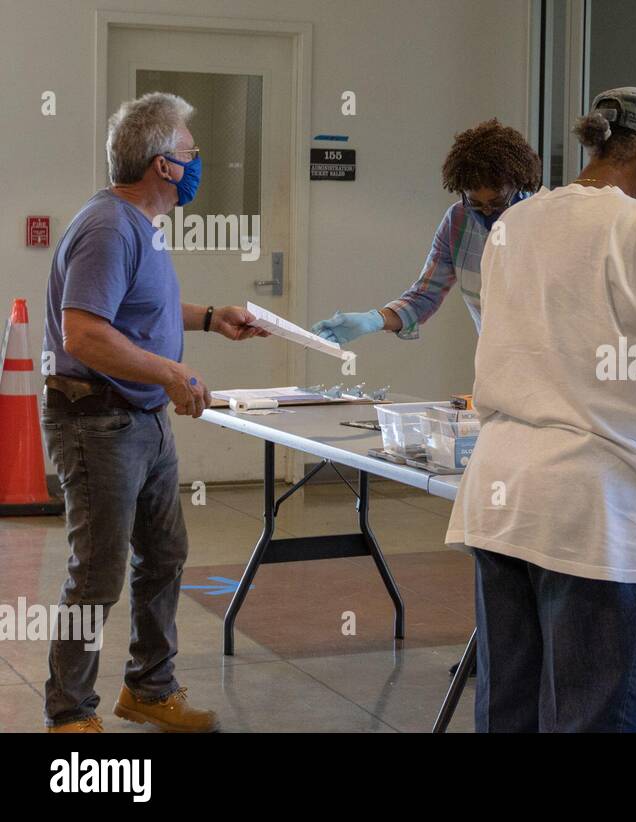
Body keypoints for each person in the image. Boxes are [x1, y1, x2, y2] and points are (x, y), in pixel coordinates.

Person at [444, 87, 636, 732]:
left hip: (502, 495)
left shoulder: (515, 224)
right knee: (589, 714)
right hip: (597, 512)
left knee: (509, 710)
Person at [42, 92, 268, 732]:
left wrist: (206, 318)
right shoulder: (109, 227)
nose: (198, 162)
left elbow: (134, 311)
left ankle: (148, 687)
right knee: (98, 573)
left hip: (140, 420)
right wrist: (171, 372)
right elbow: (83, 334)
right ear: (164, 165)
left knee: (164, 555)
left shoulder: (138, 225)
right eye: (192, 152)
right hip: (97, 423)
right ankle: (68, 715)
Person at [310, 119, 542, 341]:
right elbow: (424, 296)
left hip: (554, 367)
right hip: (496, 366)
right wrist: (375, 320)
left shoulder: (547, 221)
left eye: (497, 202)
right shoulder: (458, 221)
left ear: (520, 185)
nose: (488, 212)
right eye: (476, 204)